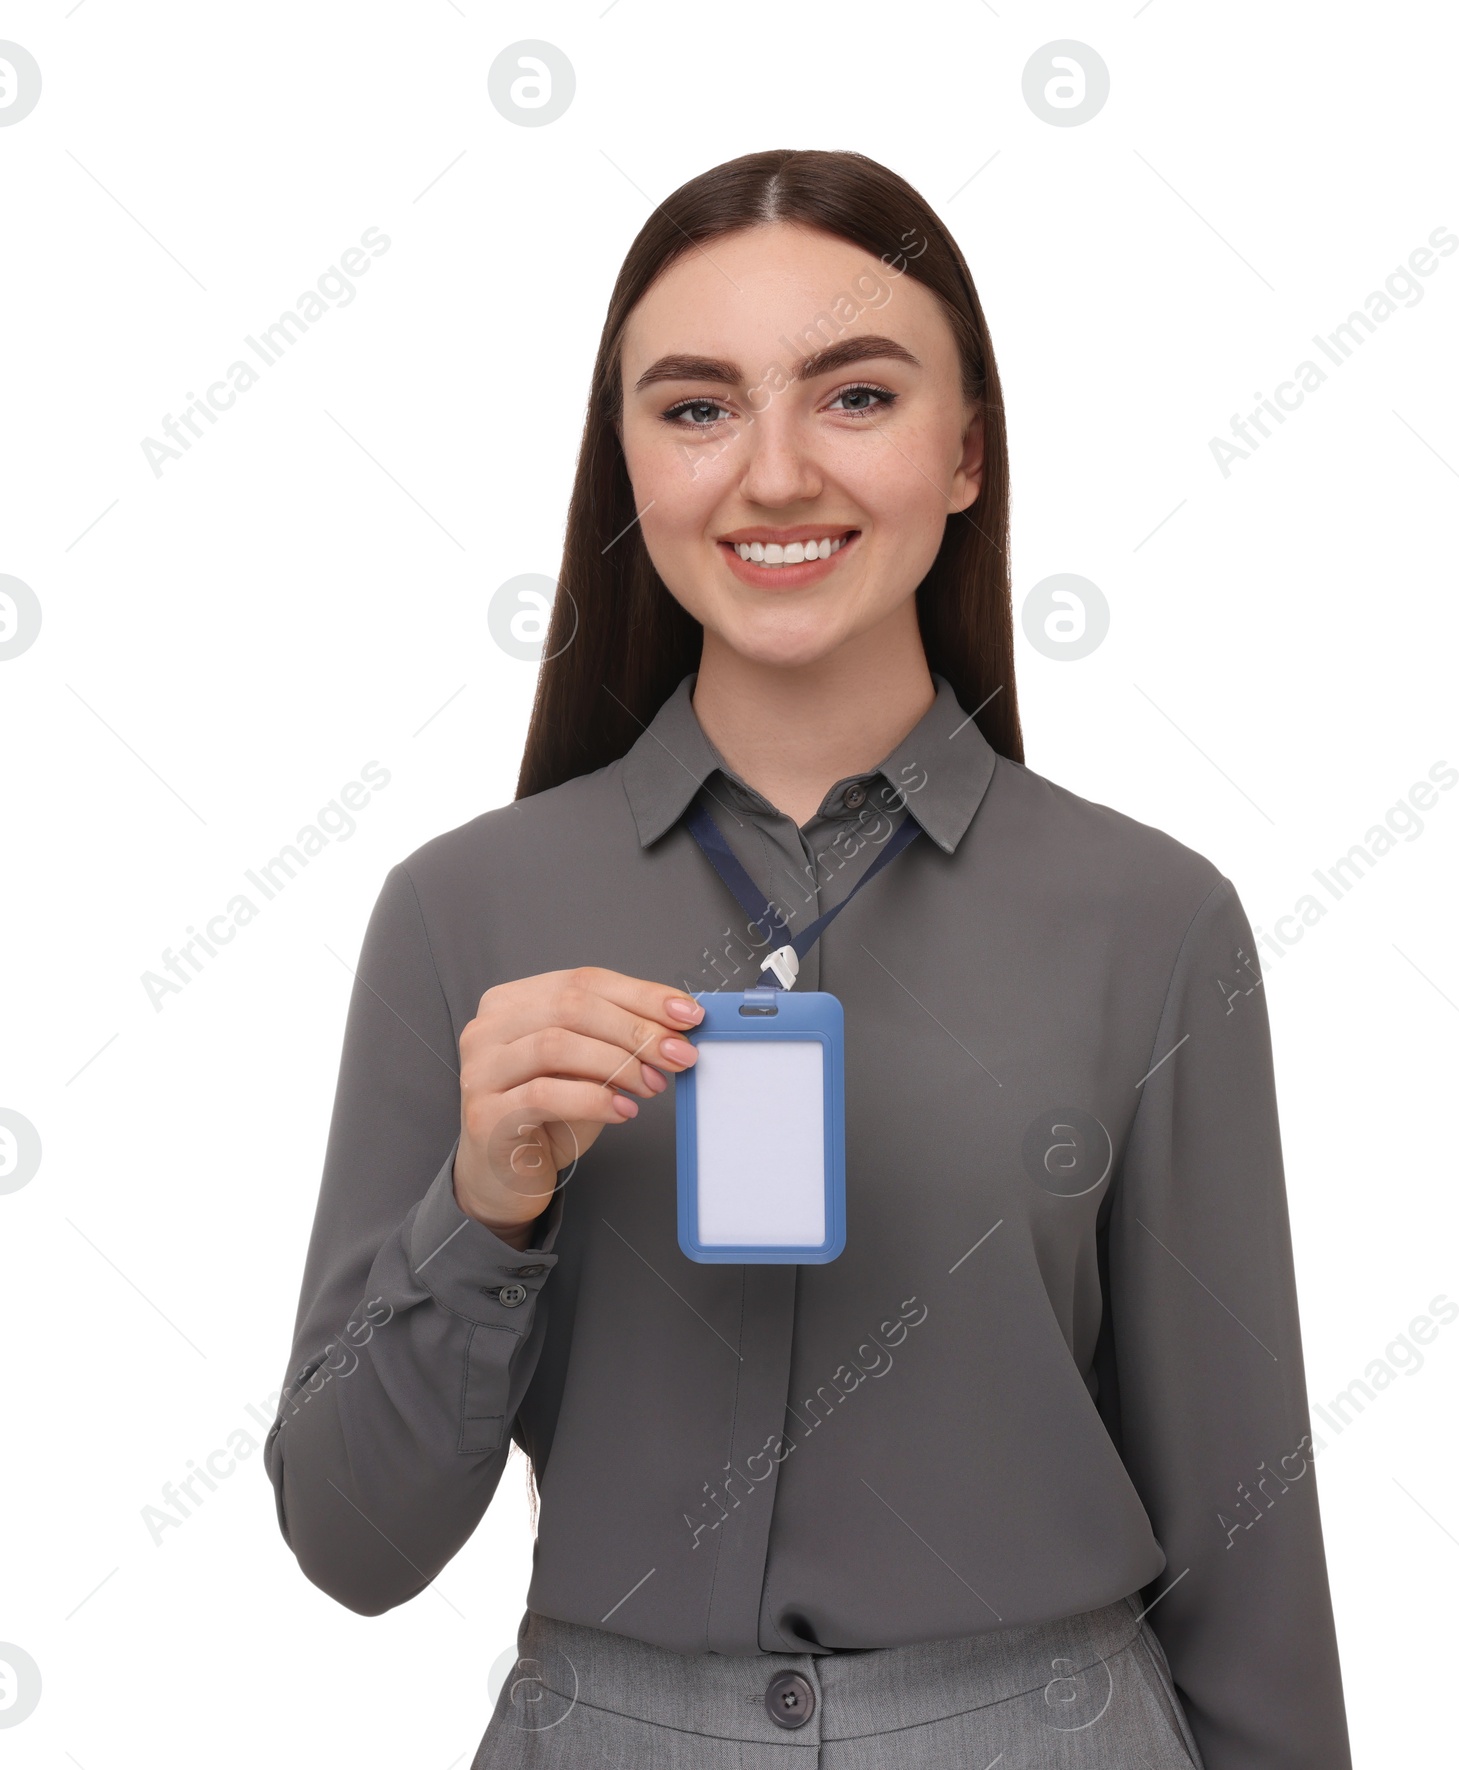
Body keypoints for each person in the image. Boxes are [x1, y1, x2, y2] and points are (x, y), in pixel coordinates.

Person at [264, 148, 1352, 1769]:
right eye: (696, 408)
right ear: (626, 462)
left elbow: (1245, 1533)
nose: (772, 473)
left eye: (854, 395)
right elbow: (354, 1542)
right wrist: (483, 1206)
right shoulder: (461, 914)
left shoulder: (1154, 920)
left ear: (966, 447)